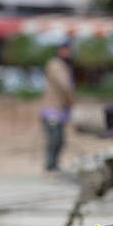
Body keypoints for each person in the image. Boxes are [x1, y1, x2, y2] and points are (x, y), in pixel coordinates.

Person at [41, 41, 76, 172]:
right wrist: (71, 99)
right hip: (53, 110)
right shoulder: (56, 65)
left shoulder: (64, 65)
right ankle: (50, 166)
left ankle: (53, 165)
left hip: (60, 110)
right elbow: (65, 86)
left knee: (59, 139)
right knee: (54, 139)